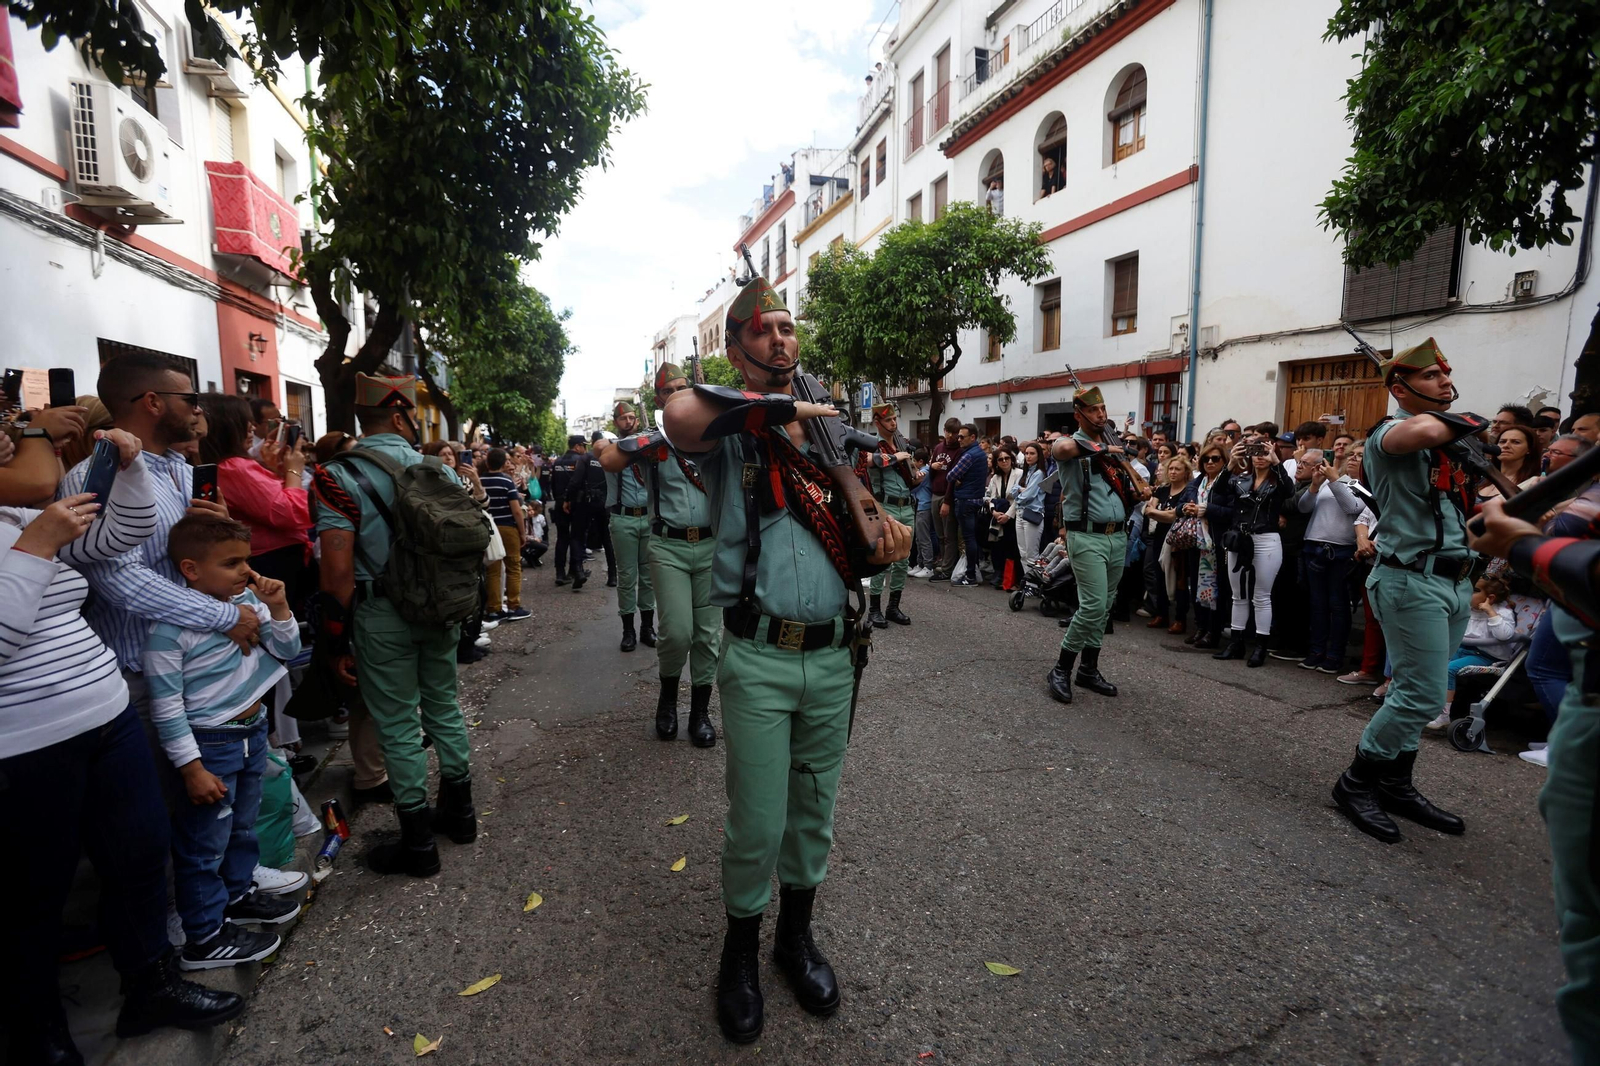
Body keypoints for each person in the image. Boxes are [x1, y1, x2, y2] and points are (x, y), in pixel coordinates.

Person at [661, 271, 910, 1044]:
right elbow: (675, 417)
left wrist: (889, 534)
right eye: (763, 330)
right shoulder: (734, 425)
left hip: (837, 654)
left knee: (813, 815)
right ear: (736, 351)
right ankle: (738, 953)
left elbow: (858, 534)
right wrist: (776, 405)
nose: (780, 338)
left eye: (788, 327)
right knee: (757, 822)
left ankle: (793, 940)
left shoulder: (831, 436)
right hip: (760, 659)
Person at [1, 427, 248, 1062]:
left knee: (139, 858)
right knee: (34, 898)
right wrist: (35, 549)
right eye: (9, 433)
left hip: (106, 717)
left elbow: (119, 537)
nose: (17, 442)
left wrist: (130, 468)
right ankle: (41, 1037)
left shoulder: (22, 512)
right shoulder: (31, 527)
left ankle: (150, 986)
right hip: (25, 747)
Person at [311, 373, 477, 876]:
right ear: (403, 417)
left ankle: (419, 845)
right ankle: (462, 816)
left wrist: (338, 638)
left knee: (400, 725)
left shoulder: (336, 476)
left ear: (366, 419)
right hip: (442, 606)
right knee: (444, 705)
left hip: (381, 614)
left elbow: (337, 572)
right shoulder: (438, 471)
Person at [60, 354, 258, 730]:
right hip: (143, 672)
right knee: (172, 785)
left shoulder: (185, 473)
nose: (198, 410)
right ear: (153, 402)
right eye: (190, 399)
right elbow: (119, 579)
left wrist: (224, 527)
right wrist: (225, 617)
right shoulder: (95, 478)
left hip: (206, 659)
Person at [1331, 339, 1476, 845]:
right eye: (1432, 377)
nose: (1444, 383)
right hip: (1410, 579)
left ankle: (1396, 782)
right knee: (1422, 693)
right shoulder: (1394, 433)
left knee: (1421, 687)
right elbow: (1429, 426)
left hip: (1454, 580)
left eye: (1445, 375)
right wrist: (1473, 423)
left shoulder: (1447, 445)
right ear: (1400, 389)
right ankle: (1356, 782)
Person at [145, 515, 304, 968]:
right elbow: (167, 709)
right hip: (210, 744)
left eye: (246, 561)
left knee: (240, 825)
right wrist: (191, 768)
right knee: (204, 842)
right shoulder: (169, 632)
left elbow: (288, 651)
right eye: (231, 563)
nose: (244, 572)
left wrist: (280, 607)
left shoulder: (250, 602)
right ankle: (205, 936)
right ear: (191, 569)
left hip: (251, 731)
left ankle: (236, 896)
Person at [598, 364, 718, 746]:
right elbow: (609, 459)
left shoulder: (713, 434)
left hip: (712, 545)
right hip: (668, 545)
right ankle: (667, 702)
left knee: (708, 636)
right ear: (659, 400)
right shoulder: (653, 442)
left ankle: (700, 712)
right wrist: (642, 442)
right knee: (678, 632)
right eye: (671, 390)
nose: (680, 394)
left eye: (686, 388)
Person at [1045, 386, 1145, 704]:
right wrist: (1102, 451)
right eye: (1093, 411)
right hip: (1086, 535)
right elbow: (1059, 449)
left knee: (1105, 607)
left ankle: (1088, 669)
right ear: (1079, 415)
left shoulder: (1111, 449)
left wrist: (1139, 492)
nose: (1101, 415)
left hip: (1117, 536)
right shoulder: (1078, 447)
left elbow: (1119, 492)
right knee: (1091, 607)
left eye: (1103, 409)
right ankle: (1061, 668)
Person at [199, 394, 313, 614]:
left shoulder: (229, 465)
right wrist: (294, 470)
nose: (251, 428)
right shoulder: (235, 467)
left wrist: (276, 470)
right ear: (228, 427)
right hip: (274, 561)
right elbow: (290, 513)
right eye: (245, 421)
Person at [1213, 437, 1295, 667]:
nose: (1259, 456)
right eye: (1255, 451)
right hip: (1239, 540)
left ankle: (1260, 647)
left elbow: (1290, 491)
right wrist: (1231, 463)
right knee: (1237, 594)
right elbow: (1217, 491)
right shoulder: (1241, 478)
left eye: (1264, 451)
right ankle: (1236, 643)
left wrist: (1276, 462)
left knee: (1261, 595)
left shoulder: (1277, 480)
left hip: (1266, 539)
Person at [1296, 447, 1370, 673]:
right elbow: (1303, 507)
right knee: (1317, 604)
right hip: (1314, 545)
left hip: (1341, 551)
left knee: (1338, 605)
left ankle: (1335, 655)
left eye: (1360, 456)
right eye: (1353, 455)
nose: (1354, 459)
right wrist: (1315, 486)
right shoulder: (1333, 479)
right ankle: (1317, 651)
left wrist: (1335, 481)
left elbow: (1353, 507)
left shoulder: (1365, 486)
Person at [1422, 572, 1519, 730]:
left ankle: (1443, 714)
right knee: (1433, 664)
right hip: (1463, 648)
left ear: (1491, 598)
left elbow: (1504, 635)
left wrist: (1490, 612)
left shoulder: (1502, 613)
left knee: (1448, 670)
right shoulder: (1468, 609)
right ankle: (1427, 706)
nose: (1468, 594)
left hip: (1486, 656)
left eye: (1474, 590)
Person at [858, 401, 919, 625]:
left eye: (895, 419)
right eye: (888, 420)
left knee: (903, 559)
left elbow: (909, 477)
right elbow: (865, 461)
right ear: (877, 422)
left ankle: (894, 606)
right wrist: (896, 458)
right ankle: (874, 609)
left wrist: (917, 476)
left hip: (906, 506)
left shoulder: (901, 443)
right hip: (886, 507)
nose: (893, 423)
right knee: (882, 558)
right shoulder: (872, 443)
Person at [601, 402, 656, 649]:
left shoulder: (648, 447)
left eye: (632, 417)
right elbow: (598, 449)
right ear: (616, 422)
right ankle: (628, 631)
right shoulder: (612, 450)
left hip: (649, 517)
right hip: (623, 518)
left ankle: (647, 628)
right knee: (626, 576)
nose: (628, 422)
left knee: (648, 577)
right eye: (623, 419)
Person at [481, 447, 531, 623]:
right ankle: (513, 606)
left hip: (488, 528)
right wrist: (523, 532)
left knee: (493, 570)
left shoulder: (479, 480)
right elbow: (516, 510)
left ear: (487, 463)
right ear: (504, 463)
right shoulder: (506, 481)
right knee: (513, 567)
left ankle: (493, 609)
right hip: (507, 527)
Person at [941, 424, 989, 586]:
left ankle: (970, 576)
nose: (958, 439)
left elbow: (951, 475)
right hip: (975, 499)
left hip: (966, 501)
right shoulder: (980, 454)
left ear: (973, 437)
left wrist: (958, 480)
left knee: (968, 539)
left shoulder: (969, 455)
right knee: (971, 538)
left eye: (962, 437)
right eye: (958, 436)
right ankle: (973, 571)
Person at [928, 418, 963, 580]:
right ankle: (943, 561)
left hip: (947, 495)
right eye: (947, 431)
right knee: (939, 533)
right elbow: (932, 471)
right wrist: (932, 467)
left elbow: (953, 478)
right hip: (935, 492)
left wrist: (948, 501)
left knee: (949, 534)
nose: (949, 435)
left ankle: (948, 567)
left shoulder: (959, 451)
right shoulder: (938, 447)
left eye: (953, 433)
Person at [984, 447, 1022, 591]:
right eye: (1000, 459)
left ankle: (1013, 579)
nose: (1004, 461)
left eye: (1007, 458)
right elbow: (991, 497)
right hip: (998, 516)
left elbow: (1018, 499)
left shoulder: (1019, 474)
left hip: (1014, 515)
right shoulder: (995, 477)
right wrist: (994, 512)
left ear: (1012, 460)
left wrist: (1008, 515)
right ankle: (1000, 575)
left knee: (1013, 548)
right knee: (998, 546)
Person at [550, 435, 585, 585]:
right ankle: (575, 570)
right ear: (577, 446)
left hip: (559, 503)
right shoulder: (580, 461)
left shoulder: (558, 461)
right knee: (577, 537)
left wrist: (559, 499)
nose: (585, 450)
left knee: (562, 538)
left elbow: (553, 483)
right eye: (584, 446)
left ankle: (559, 572)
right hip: (576, 503)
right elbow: (581, 482)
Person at [1013, 441, 1048, 561]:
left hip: (1032, 514)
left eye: (1032, 453)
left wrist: (1020, 493)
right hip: (1020, 513)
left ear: (1038, 455)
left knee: (1031, 554)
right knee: (1022, 554)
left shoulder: (1039, 473)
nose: (1028, 456)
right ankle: (1028, 579)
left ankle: (1032, 580)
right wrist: (1020, 490)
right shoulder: (1025, 472)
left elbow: (1029, 495)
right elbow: (1013, 490)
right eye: (1026, 453)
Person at [909, 447, 936, 578]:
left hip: (924, 506)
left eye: (914, 460)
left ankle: (928, 566)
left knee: (924, 538)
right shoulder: (923, 470)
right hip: (919, 505)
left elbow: (914, 484)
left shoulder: (925, 471)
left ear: (920, 461)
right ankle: (920, 564)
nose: (913, 463)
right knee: (919, 538)